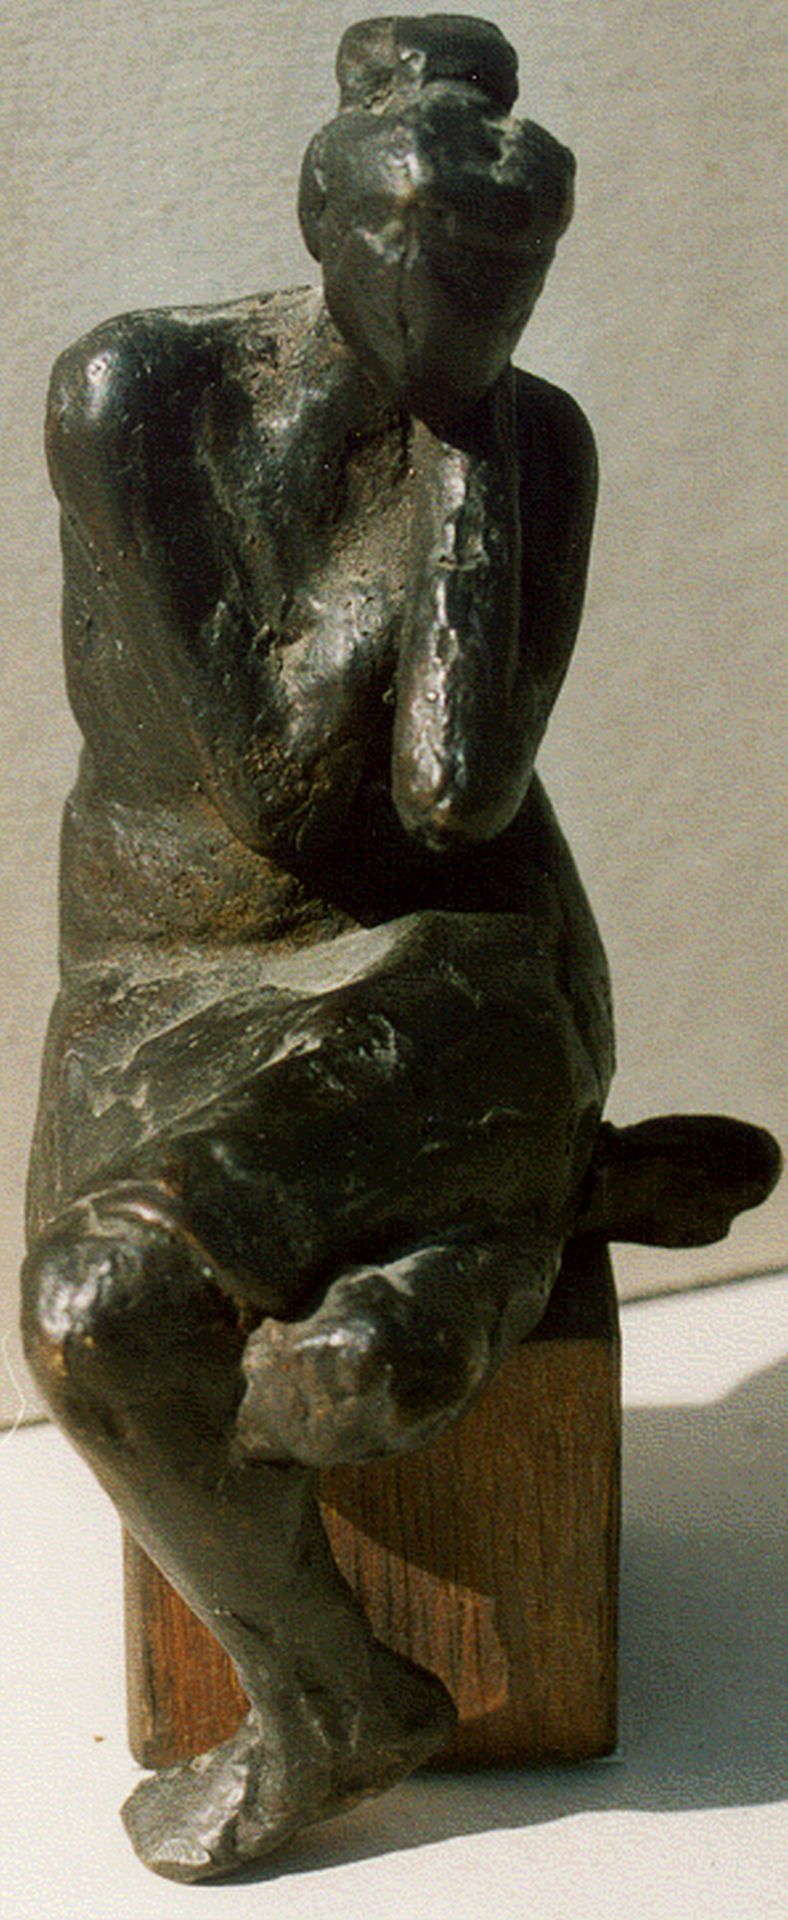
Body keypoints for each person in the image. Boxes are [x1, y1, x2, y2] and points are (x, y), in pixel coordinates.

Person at [21, 17, 779, 1882]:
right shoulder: (143, 394)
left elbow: (455, 791)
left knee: (224, 1316)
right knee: (95, 1316)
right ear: (329, 226)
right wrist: (447, 464)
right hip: (173, 987)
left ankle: (481, 1258)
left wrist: (470, 447)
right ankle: (367, 1613)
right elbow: (278, 792)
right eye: (432, 262)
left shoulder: (534, 441)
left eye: (516, 274)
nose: (474, 314)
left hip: (450, 970)